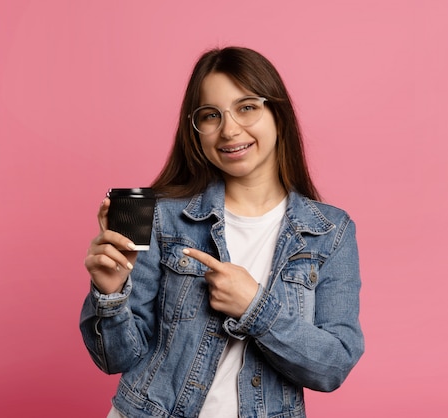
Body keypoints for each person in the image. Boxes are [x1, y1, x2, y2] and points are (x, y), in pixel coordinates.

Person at [80, 46, 364, 418]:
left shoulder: (330, 231)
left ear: (278, 114)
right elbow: (115, 359)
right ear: (195, 130)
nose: (229, 130)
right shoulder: (160, 215)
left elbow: (332, 367)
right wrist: (110, 292)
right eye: (211, 115)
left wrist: (255, 308)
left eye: (247, 107)